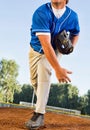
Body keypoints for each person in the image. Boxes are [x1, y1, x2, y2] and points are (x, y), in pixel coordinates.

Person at [26, 0, 80, 129]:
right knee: (35, 82)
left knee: (45, 68)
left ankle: (39, 114)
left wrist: (71, 46)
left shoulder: (72, 16)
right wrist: (58, 69)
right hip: (36, 50)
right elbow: (45, 44)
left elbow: (76, 33)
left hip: (55, 49)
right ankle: (41, 101)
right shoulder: (41, 13)